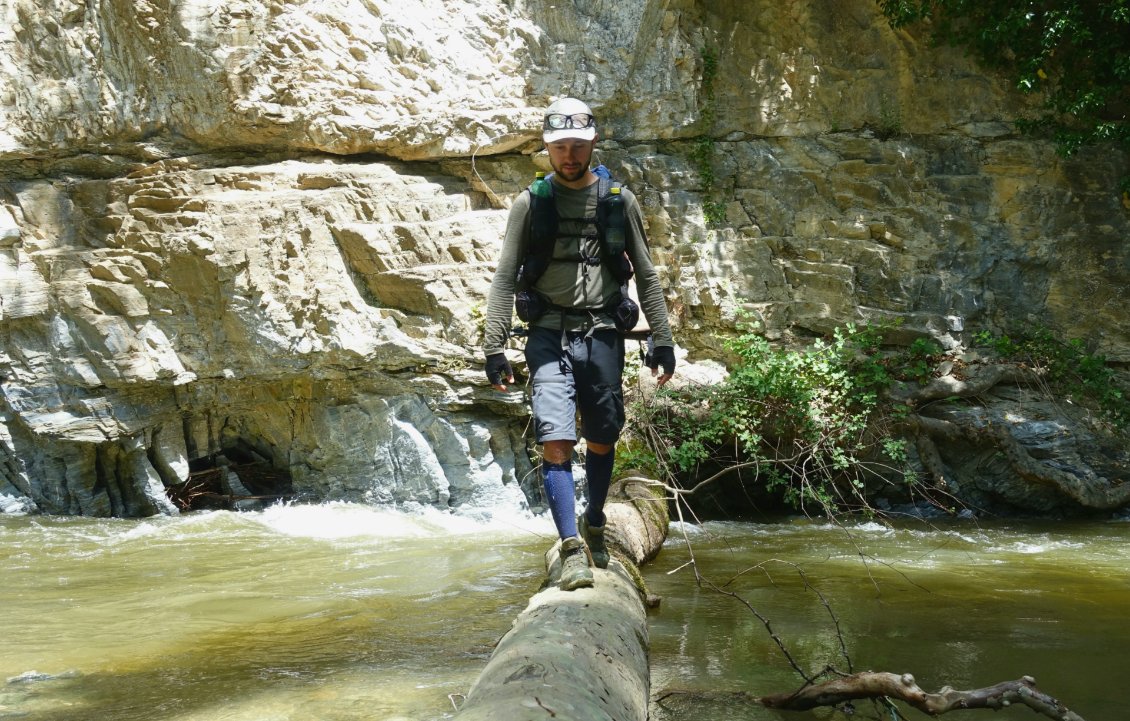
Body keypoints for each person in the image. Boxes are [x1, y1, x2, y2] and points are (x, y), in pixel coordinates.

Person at [482, 97, 676, 590]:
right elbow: (505, 278)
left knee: (603, 436)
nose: (569, 156)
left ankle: (595, 520)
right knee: (555, 438)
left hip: (604, 333)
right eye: (560, 147)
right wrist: (494, 347)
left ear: (592, 145)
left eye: (577, 146)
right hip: (547, 333)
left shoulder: (618, 201)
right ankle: (571, 548)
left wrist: (663, 339)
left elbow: (647, 276)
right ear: (547, 150)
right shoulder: (531, 203)